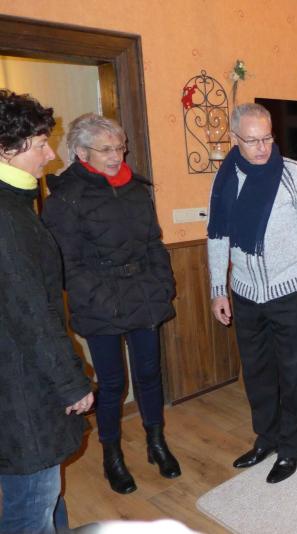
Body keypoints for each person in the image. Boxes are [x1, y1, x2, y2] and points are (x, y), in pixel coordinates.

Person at [41, 113, 180, 495]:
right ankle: (112, 456)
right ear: (82, 152)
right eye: (106, 149)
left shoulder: (135, 188)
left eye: (120, 147)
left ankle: (156, 443)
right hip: (99, 302)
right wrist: (104, 299)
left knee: (149, 374)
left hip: (144, 294)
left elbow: (153, 243)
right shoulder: (66, 197)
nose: (117, 156)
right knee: (113, 383)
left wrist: (163, 284)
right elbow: (67, 264)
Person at [207, 102, 297, 484]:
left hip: (288, 290)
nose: (263, 147)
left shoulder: (292, 173)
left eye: (268, 138)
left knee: (293, 372)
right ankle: (266, 438)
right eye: (253, 141)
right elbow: (217, 236)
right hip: (245, 293)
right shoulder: (226, 178)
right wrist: (218, 290)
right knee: (257, 372)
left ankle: (292, 447)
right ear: (235, 139)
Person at [0, 90, 94, 533]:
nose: (51, 155)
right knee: (31, 506)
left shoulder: (15, 206)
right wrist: (72, 383)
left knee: (46, 496)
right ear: (6, 149)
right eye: (40, 144)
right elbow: (32, 314)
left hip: (20, 378)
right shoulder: (7, 219)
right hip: (21, 389)